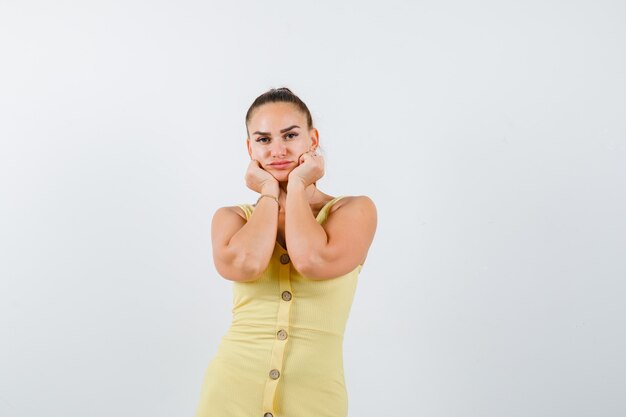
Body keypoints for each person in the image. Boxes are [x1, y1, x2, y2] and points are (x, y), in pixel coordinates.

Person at [194, 87, 377, 417]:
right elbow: (247, 264)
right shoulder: (232, 218)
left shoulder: (353, 210)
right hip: (230, 393)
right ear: (250, 148)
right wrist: (268, 192)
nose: (277, 150)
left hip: (314, 399)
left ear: (313, 139)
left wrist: (295, 186)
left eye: (290, 135)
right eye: (263, 140)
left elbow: (312, 260)